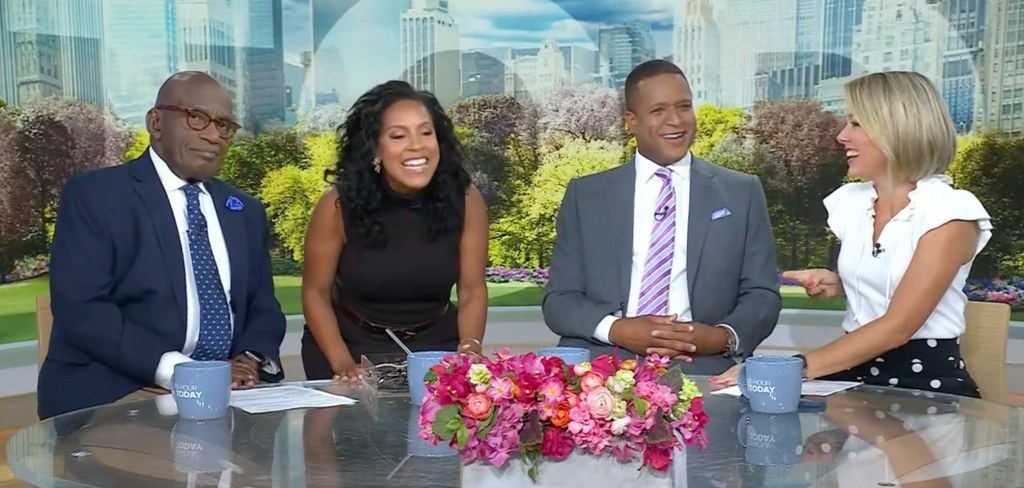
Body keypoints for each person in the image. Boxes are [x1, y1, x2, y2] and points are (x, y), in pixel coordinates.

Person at [714, 71, 990, 398]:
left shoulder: (949, 214)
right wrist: (846, 282)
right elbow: (898, 279)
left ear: (897, 129)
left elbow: (897, 327)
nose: (843, 136)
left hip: (925, 388)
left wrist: (785, 369)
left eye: (856, 124)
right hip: (852, 377)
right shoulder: (856, 206)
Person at [39, 71, 287, 419]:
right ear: (156, 123)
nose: (214, 136)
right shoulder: (96, 196)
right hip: (119, 389)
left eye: (225, 125)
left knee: (300, 453)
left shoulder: (244, 210)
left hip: (230, 393)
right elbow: (83, 309)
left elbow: (263, 307)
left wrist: (249, 358)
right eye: (197, 118)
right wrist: (185, 372)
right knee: (169, 465)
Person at [542, 60, 782, 375]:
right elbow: (559, 301)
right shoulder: (586, 196)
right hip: (602, 369)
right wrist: (618, 330)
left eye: (684, 107)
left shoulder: (741, 192)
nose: (676, 121)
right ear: (632, 121)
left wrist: (721, 337)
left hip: (702, 368)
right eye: (658, 111)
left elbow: (762, 294)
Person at [300, 80, 488, 381]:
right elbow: (315, 293)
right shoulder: (337, 204)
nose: (417, 145)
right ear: (374, 147)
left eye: (426, 132)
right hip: (348, 345)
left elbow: (471, 290)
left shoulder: (466, 200)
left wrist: (470, 350)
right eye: (398, 136)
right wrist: (343, 364)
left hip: (436, 347)